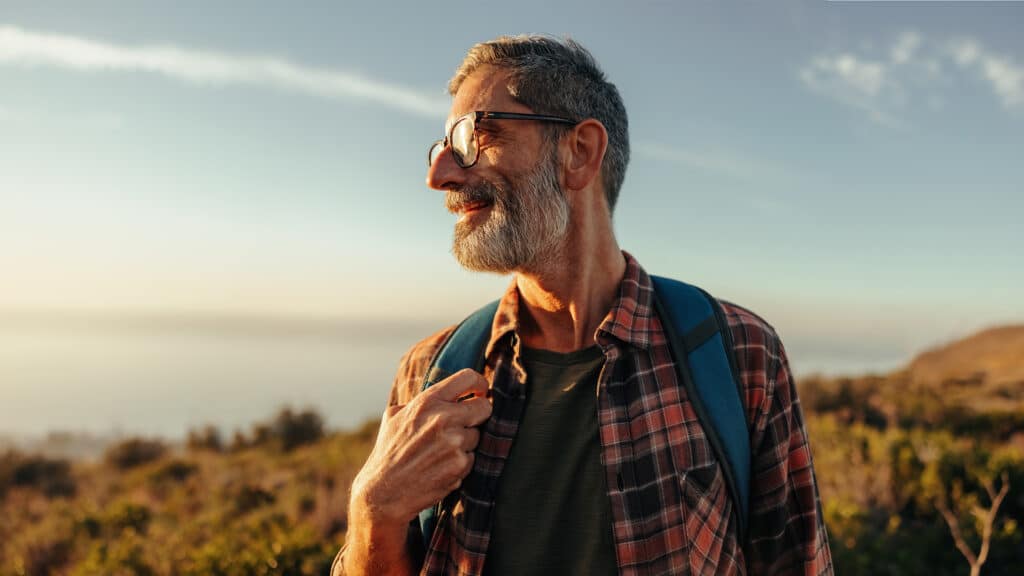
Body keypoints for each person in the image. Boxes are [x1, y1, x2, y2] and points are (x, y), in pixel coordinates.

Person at [334, 35, 832, 576]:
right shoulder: (430, 374)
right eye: (441, 149)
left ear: (580, 152)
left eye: (472, 136)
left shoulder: (739, 354)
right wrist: (371, 514)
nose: (441, 176)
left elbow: (798, 562)